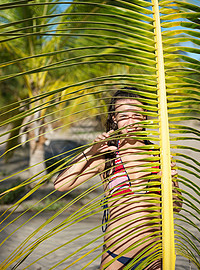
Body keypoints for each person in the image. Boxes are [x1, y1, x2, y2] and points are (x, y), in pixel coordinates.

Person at [54, 88, 181, 270]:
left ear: (144, 116)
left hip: (153, 255)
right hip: (117, 255)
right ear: (114, 118)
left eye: (136, 115)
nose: (131, 122)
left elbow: (176, 207)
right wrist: (91, 151)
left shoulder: (160, 156)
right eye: (124, 115)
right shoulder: (107, 156)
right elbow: (61, 184)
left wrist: (169, 185)